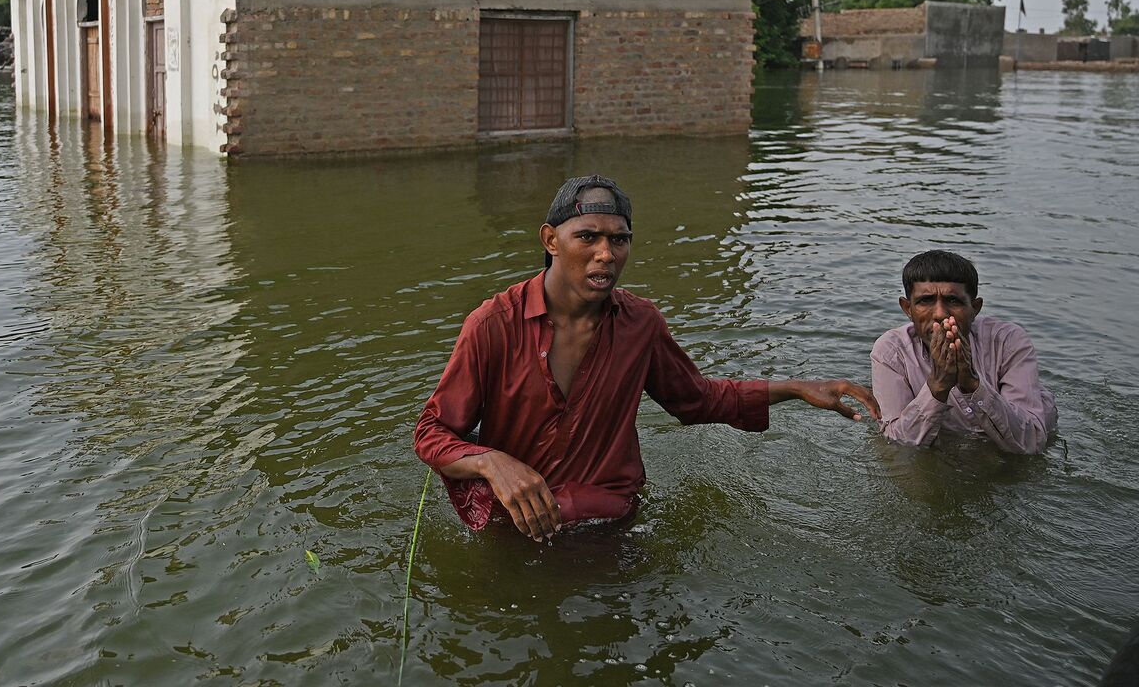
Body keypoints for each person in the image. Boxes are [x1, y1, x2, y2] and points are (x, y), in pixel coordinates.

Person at [413, 174, 881, 541]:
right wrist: (492, 462)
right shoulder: (494, 323)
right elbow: (432, 432)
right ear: (551, 241)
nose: (605, 254)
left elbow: (697, 400)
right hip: (517, 527)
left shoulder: (641, 324)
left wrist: (797, 388)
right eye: (588, 237)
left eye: (619, 240)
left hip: (610, 525)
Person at [870, 249, 1057, 453]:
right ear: (907, 308)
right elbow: (896, 444)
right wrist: (937, 386)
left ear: (975, 308)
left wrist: (972, 383)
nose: (940, 314)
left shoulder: (1007, 342)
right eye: (926, 301)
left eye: (953, 301)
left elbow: (1032, 441)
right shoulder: (890, 351)